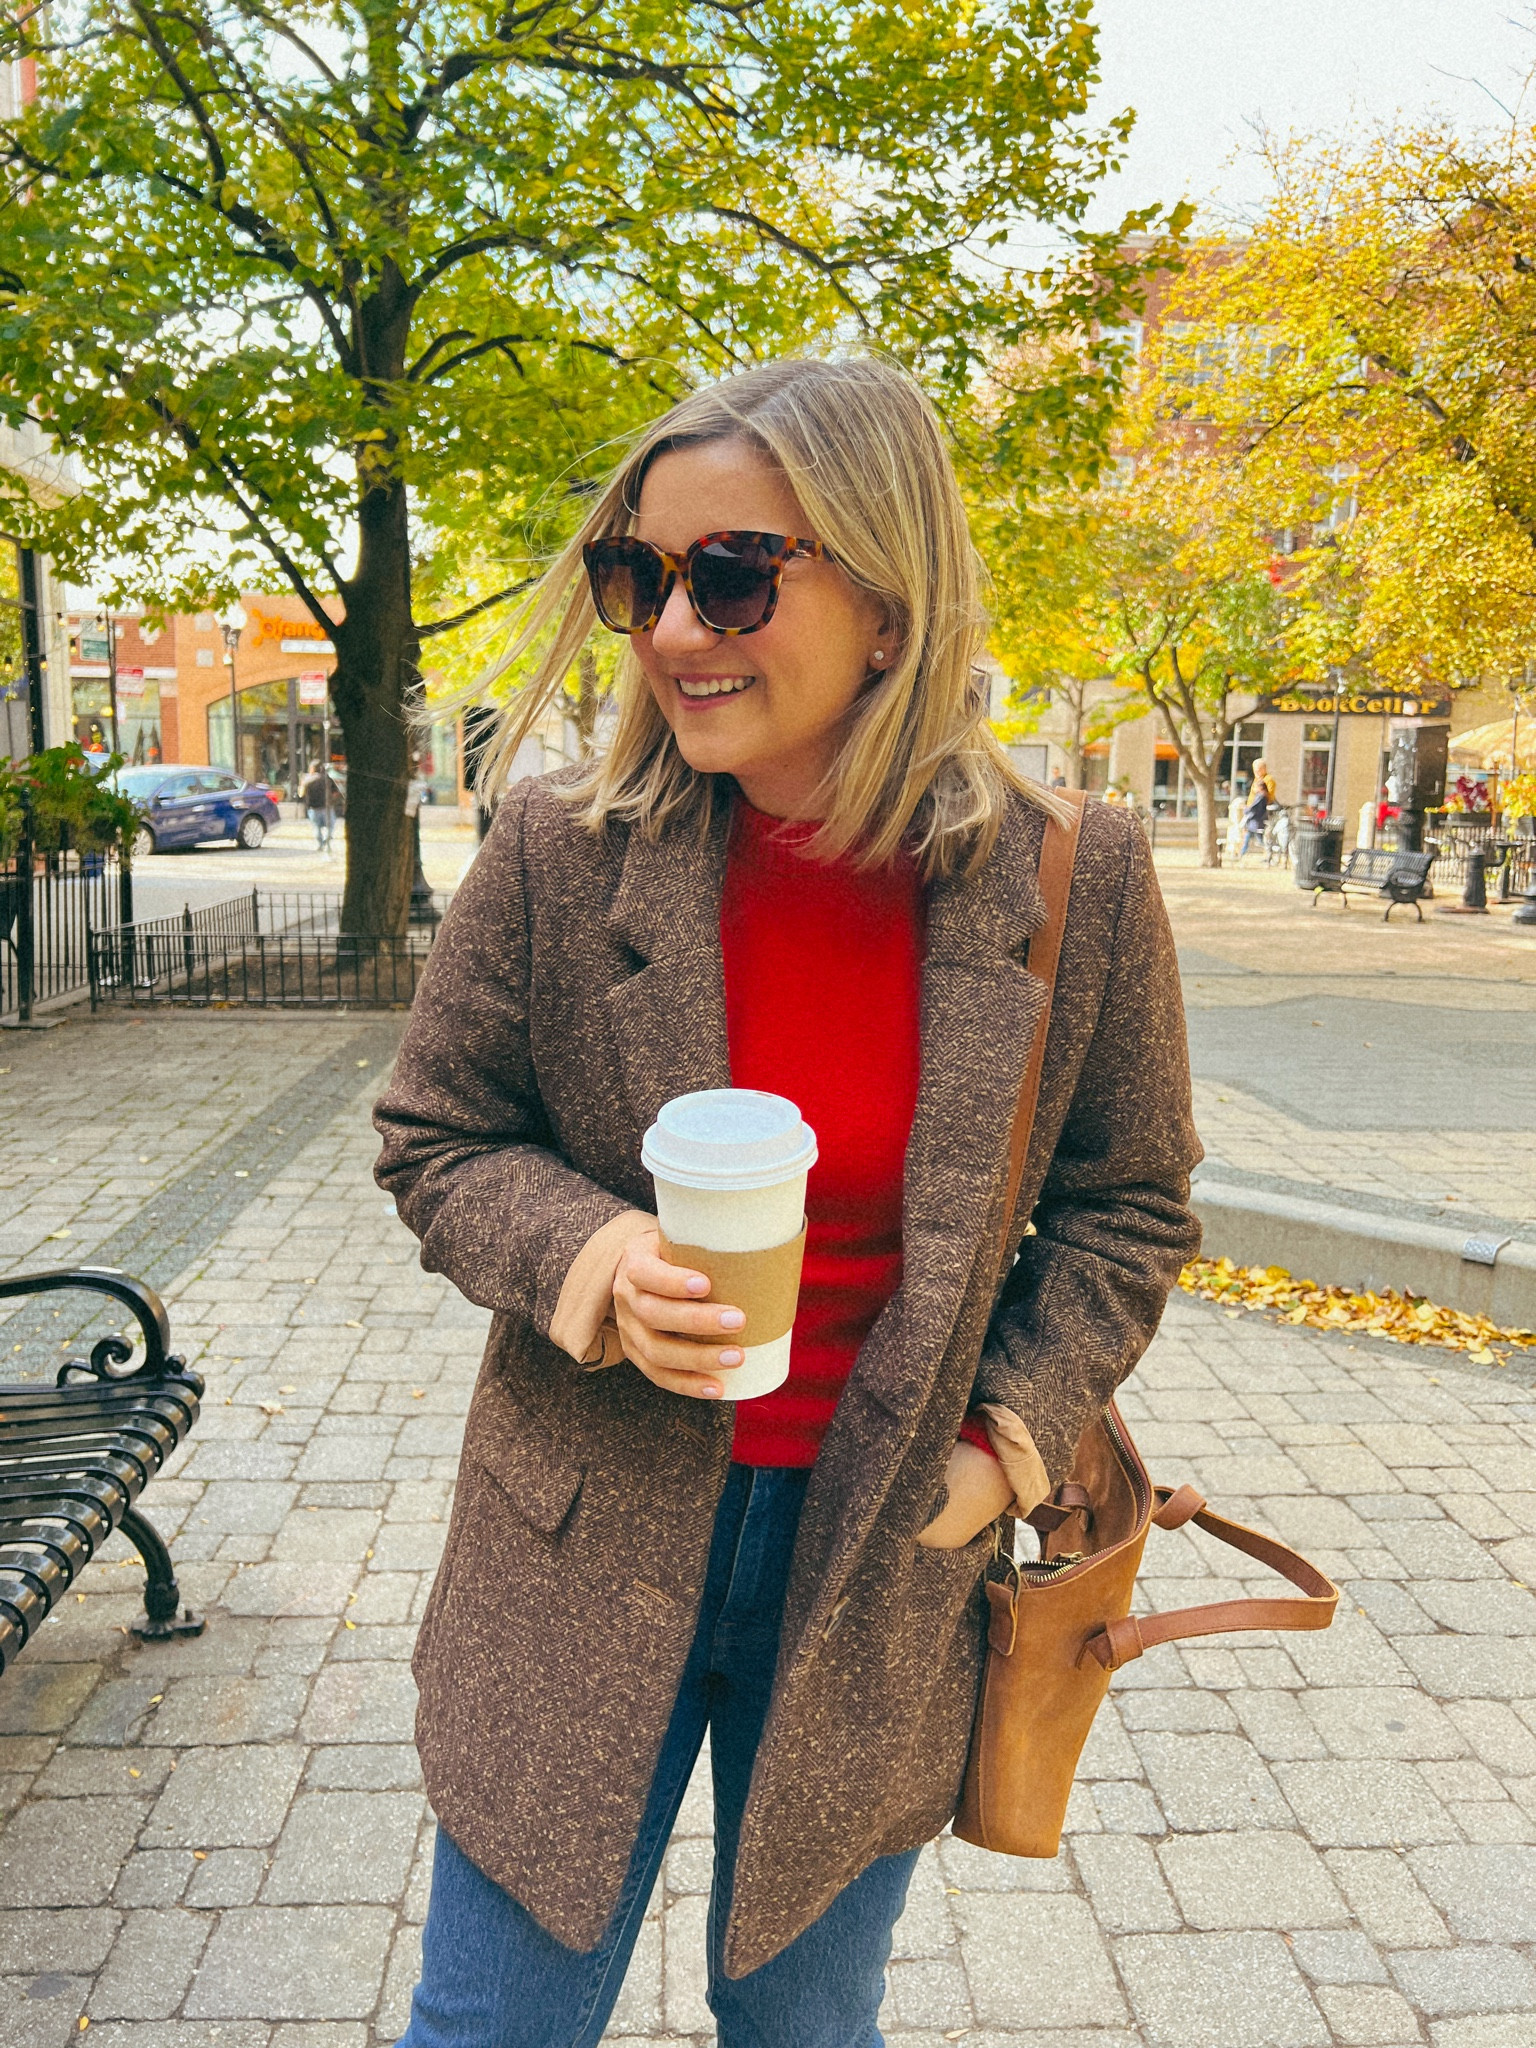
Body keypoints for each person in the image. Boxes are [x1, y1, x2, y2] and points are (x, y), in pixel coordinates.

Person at [373, 355, 1201, 2048]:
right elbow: (432, 1134)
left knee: (807, 2026)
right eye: (639, 576)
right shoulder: (556, 852)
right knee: (489, 2028)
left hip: (876, 1549)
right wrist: (591, 1255)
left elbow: (1130, 1202)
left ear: (887, 602)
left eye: (731, 572)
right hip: (579, 1530)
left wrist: (1010, 1451)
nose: (674, 627)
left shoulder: (1072, 878)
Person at [299, 760, 340, 850]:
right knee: (330, 826)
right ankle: (326, 841)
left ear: (312, 769)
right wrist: (331, 800)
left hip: (313, 808)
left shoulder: (307, 780)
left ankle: (320, 844)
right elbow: (336, 792)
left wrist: (302, 784)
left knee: (316, 827)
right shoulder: (327, 778)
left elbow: (300, 794)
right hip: (327, 807)